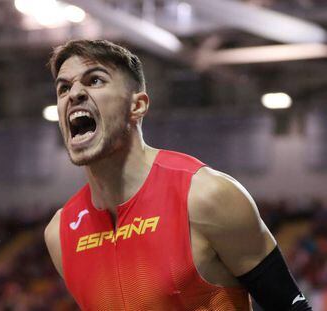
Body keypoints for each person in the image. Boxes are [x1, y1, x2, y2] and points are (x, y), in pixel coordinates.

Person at [44, 39, 311, 311]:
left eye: (95, 81)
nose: (74, 93)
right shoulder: (60, 234)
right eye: (63, 87)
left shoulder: (206, 196)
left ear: (137, 106)